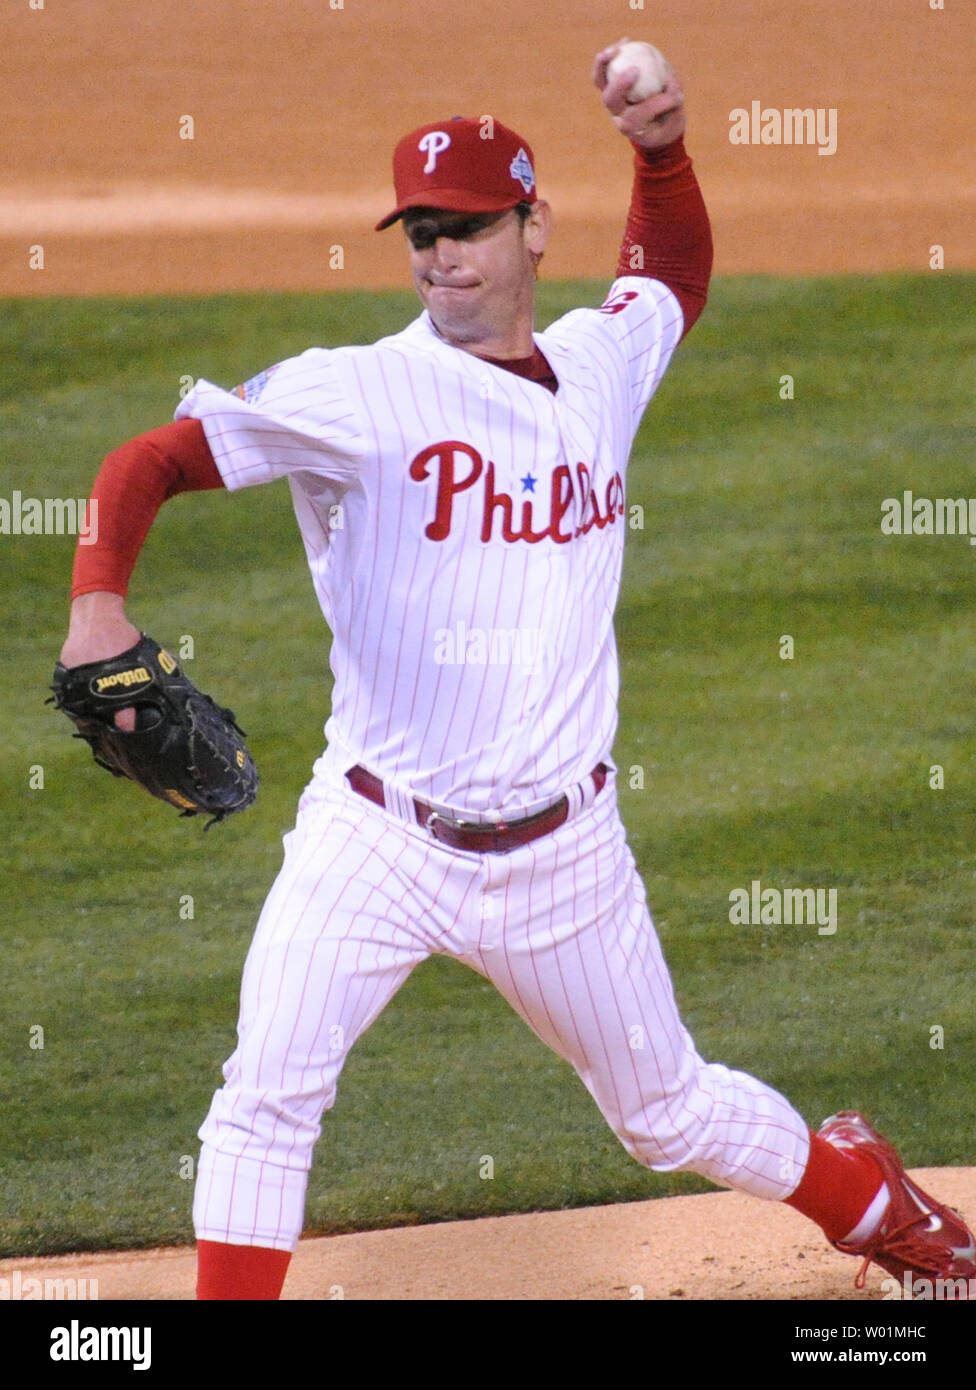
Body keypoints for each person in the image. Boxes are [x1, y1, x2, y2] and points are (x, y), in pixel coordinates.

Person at [59, 41, 975, 1301]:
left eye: (469, 226)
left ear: (535, 226)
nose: (440, 253)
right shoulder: (358, 393)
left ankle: (885, 1205)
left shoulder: (598, 368)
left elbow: (671, 280)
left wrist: (659, 148)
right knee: (265, 1100)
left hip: (565, 854)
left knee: (667, 1114)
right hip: (374, 835)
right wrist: (98, 606)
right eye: (421, 231)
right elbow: (150, 458)